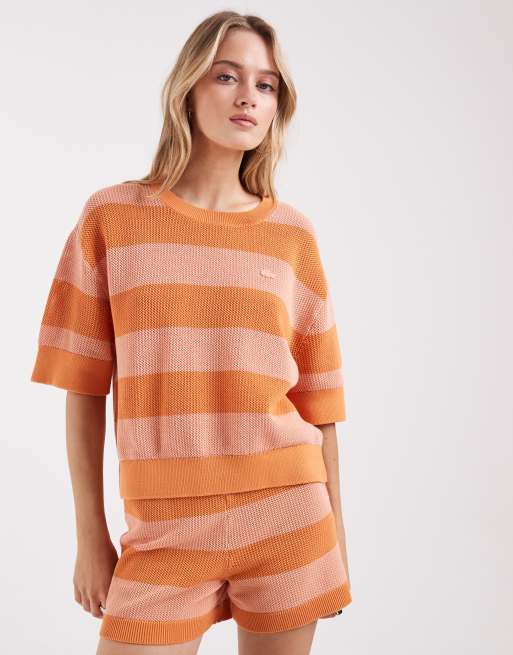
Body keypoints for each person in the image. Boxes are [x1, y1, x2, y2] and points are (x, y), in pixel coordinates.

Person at [30, 10, 352, 655]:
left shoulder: (292, 234)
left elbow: (319, 405)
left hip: (289, 518)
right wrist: (90, 535)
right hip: (162, 530)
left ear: (277, 106)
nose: (247, 96)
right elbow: (83, 386)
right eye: (226, 76)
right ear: (187, 87)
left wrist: (337, 541)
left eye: (265, 84)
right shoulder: (112, 217)